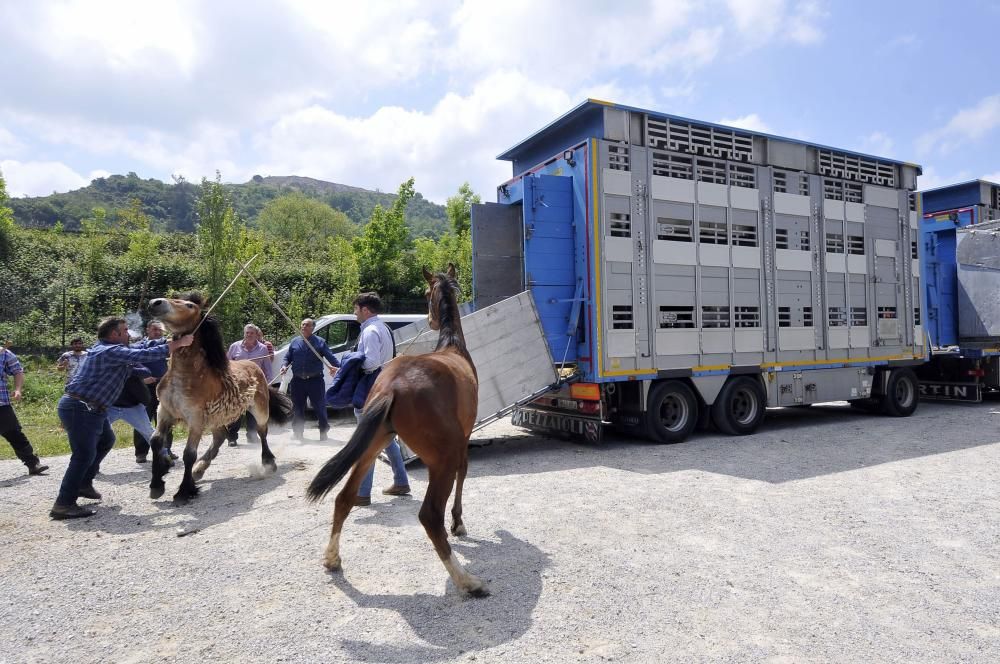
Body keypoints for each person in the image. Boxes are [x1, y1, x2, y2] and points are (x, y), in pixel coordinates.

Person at [50, 316, 193, 520]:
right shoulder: (109, 351)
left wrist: (171, 339)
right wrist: (178, 344)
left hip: (91, 408)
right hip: (81, 408)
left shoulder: (112, 351)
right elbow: (144, 353)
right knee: (82, 455)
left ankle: (84, 483)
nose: (129, 334)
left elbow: (144, 349)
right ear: (114, 334)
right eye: (125, 330)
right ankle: (63, 503)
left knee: (107, 440)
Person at [351, 292, 410, 507]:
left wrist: (350, 366)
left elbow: (371, 363)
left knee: (369, 439)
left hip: (373, 388)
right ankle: (401, 482)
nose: (354, 312)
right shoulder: (383, 328)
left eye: (356, 308)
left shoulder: (369, 331)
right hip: (386, 385)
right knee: (385, 437)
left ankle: (362, 493)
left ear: (365, 310)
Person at [279, 318, 339, 441]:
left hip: (315, 381)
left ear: (313, 328)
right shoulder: (295, 342)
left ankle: (323, 431)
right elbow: (287, 358)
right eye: (302, 325)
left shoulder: (320, 342)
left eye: (307, 325)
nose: (304, 327)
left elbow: (331, 358)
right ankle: (298, 432)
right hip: (297, 381)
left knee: (320, 407)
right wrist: (284, 366)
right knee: (298, 408)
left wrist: (338, 368)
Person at [0, 346, 49, 476]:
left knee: (14, 433)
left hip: (1, 403)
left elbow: (17, 371)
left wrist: (17, 389)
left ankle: (33, 464)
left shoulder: (4, 353)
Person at [225, 323, 273, 446]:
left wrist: (268, 384)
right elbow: (226, 365)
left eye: (251, 333)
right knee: (235, 412)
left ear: (256, 335)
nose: (249, 335)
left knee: (253, 412)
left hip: (254, 385)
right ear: (244, 334)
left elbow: (267, 368)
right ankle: (232, 438)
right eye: (247, 333)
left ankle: (251, 436)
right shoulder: (234, 347)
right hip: (237, 385)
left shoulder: (263, 348)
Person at [131, 321, 172, 463]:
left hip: (163, 386)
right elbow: (133, 362)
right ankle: (141, 453)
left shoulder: (164, 344)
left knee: (165, 420)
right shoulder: (137, 346)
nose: (158, 332)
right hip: (144, 388)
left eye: (160, 330)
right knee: (143, 420)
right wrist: (143, 377)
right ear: (147, 330)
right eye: (155, 329)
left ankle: (167, 450)